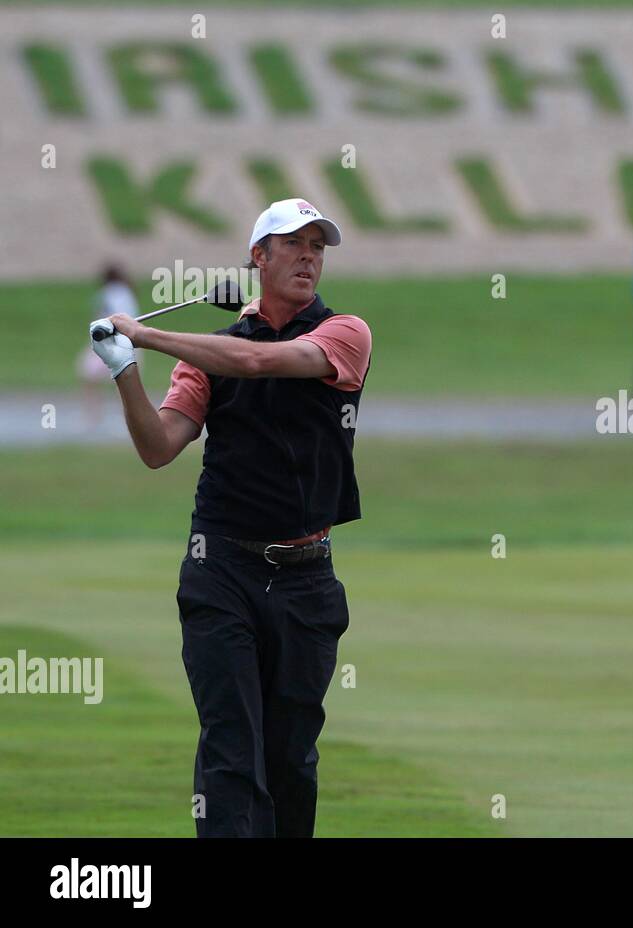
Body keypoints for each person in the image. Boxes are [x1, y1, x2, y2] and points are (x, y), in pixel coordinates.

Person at [87, 198, 373, 837]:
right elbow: (159, 447)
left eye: (317, 247)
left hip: (305, 580)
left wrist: (145, 334)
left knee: (290, 760)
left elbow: (257, 362)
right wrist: (125, 369)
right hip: (220, 571)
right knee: (231, 750)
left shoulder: (345, 334)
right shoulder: (210, 353)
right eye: (293, 245)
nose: (308, 257)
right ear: (259, 257)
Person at [78, 265, 140, 429]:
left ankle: (93, 417)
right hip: (129, 343)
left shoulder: (109, 293)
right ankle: (127, 419)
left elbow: (103, 318)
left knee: (89, 378)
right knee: (123, 384)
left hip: (109, 343)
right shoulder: (127, 292)